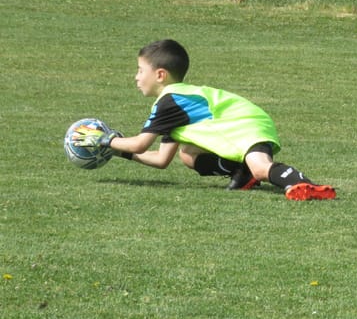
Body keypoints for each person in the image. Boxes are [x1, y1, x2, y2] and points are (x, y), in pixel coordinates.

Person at [75, 39, 336, 200]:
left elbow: (141, 144)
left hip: (246, 123)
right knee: (188, 155)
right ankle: (241, 173)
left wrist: (105, 139)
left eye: (140, 70)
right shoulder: (176, 101)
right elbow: (160, 159)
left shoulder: (169, 101)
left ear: (160, 75)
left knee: (261, 167)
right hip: (242, 122)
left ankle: (304, 185)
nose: (135, 77)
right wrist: (117, 150)